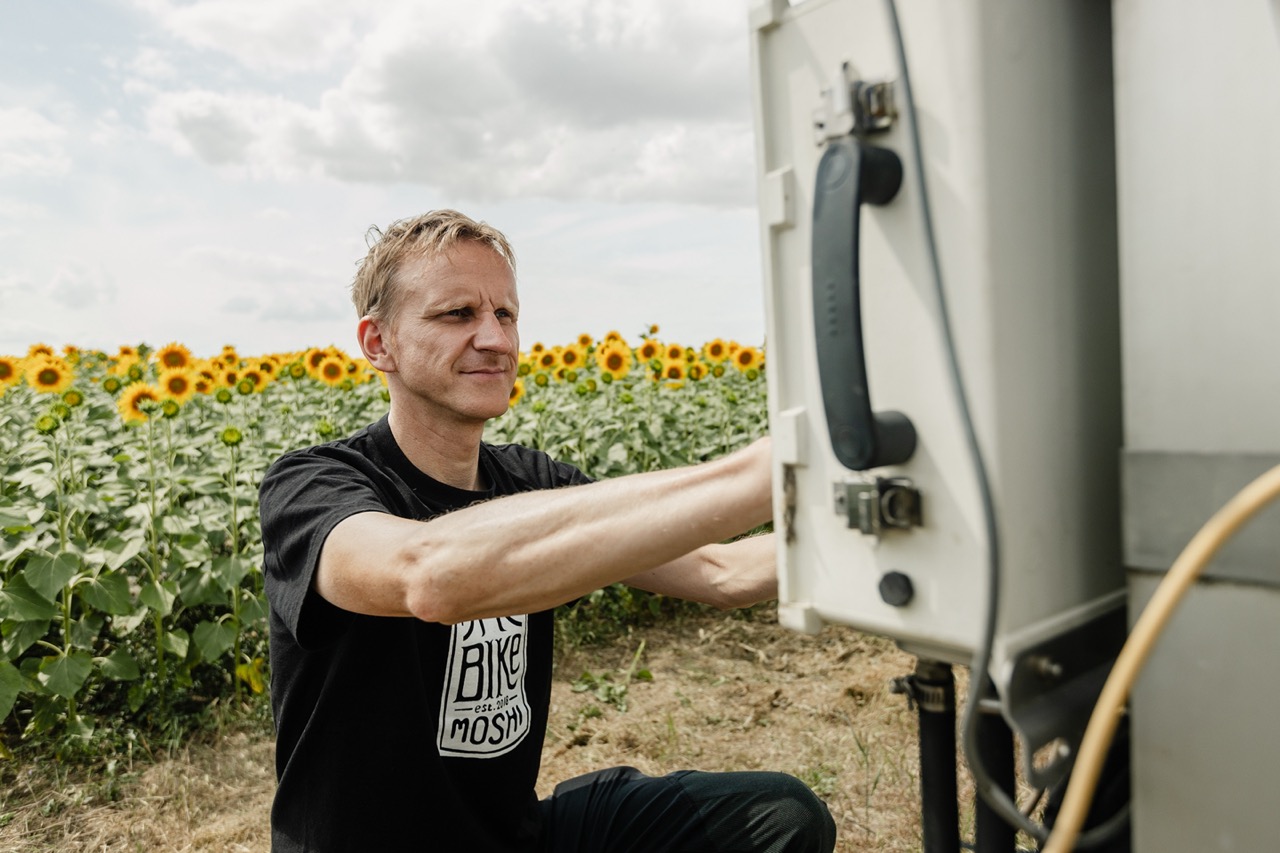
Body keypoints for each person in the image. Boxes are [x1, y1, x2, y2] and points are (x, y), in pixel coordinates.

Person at [258, 209, 837, 852]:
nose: (495, 339)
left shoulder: (531, 479)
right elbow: (426, 575)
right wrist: (777, 467)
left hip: (512, 837)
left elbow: (721, 573)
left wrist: (874, 537)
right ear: (378, 342)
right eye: (457, 315)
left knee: (778, 816)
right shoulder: (313, 487)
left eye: (505, 315)